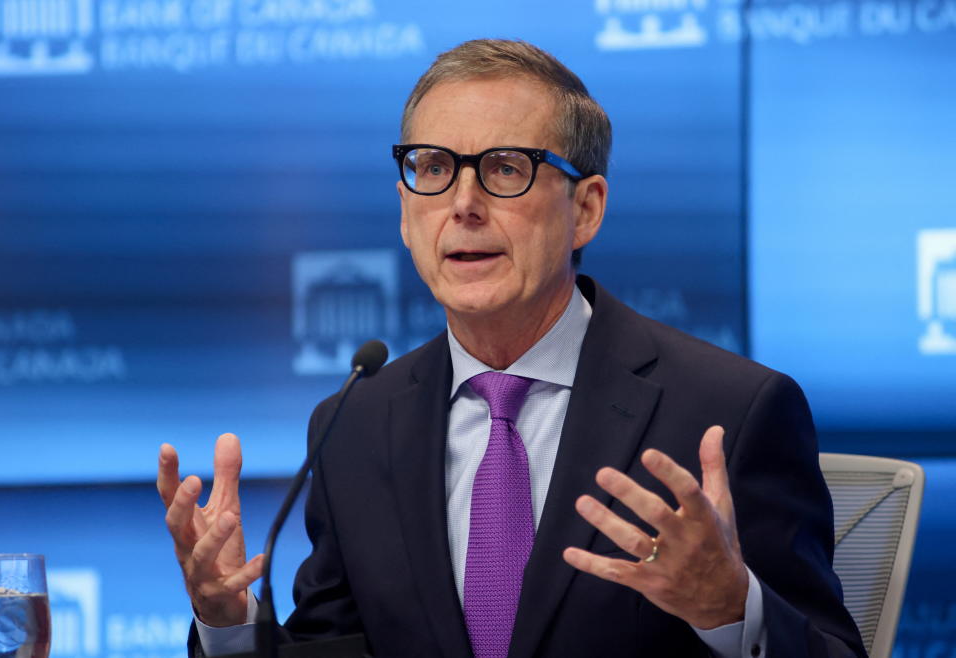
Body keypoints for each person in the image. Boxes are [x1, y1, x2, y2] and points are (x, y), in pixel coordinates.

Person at [157, 39, 866, 658]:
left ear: (585, 208)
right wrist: (228, 623)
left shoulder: (729, 412)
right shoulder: (355, 423)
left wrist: (729, 607)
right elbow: (332, 649)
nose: (463, 203)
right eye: (432, 167)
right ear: (406, 214)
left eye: (504, 168)